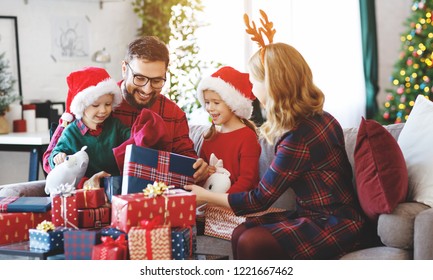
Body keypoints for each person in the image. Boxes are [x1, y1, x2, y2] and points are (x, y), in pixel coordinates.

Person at [184, 11, 366, 260]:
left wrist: (204, 196)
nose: (251, 87)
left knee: (250, 241)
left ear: (272, 84)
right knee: (241, 232)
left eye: (254, 80)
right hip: (312, 215)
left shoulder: (299, 136)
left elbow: (260, 199)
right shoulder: (318, 117)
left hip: (336, 223)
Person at [43, 36, 208, 184]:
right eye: (140, 78)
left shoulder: (173, 114)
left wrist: (197, 168)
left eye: (157, 80)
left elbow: (187, 160)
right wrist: (85, 182)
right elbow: (50, 160)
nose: (147, 89)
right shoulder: (94, 98)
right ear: (124, 69)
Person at [48, 66, 169, 180]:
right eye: (95, 105)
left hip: (115, 183)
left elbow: (132, 137)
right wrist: (57, 157)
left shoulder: (114, 125)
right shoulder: (71, 133)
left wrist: (144, 133)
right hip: (87, 187)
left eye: (108, 104)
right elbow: (54, 155)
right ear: (82, 106)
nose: (103, 110)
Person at [196, 66, 261, 193]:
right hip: (210, 202)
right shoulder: (210, 136)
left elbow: (248, 180)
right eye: (207, 102)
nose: (209, 108)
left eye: (216, 102)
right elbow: (201, 177)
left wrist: (220, 201)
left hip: (235, 204)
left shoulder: (247, 137)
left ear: (232, 103)